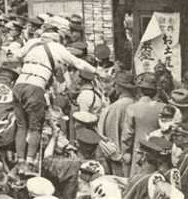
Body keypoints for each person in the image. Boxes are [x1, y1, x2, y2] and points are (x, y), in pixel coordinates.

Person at [13, 31, 98, 174]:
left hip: (18, 84)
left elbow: (17, 55)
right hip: (36, 86)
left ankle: (20, 161)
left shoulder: (32, 43)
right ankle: (29, 162)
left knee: (21, 126)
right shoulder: (57, 47)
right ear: (56, 40)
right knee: (35, 128)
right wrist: (96, 71)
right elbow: (78, 63)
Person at [121, 73, 165, 177]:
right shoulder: (163, 107)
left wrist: (126, 151)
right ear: (155, 91)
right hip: (159, 153)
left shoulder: (132, 108)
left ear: (140, 90)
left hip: (139, 152)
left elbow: (127, 134)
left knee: (139, 180)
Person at [97, 71, 137, 176]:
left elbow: (110, 133)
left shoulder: (116, 106)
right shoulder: (135, 103)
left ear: (119, 86)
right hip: (133, 155)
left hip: (118, 156)